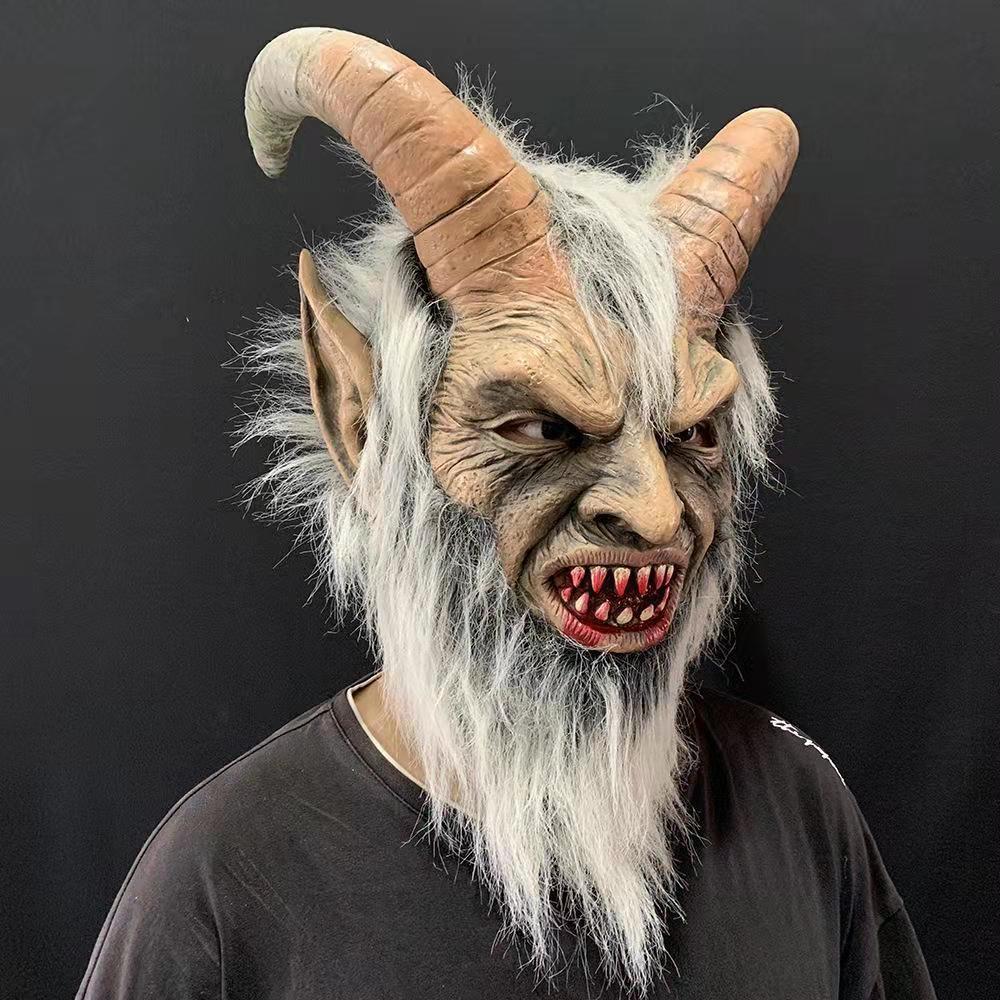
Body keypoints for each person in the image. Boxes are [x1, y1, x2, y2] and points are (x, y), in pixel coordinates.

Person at [77, 27, 937, 999]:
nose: (656, 513)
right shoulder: (225, 883)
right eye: (537, 427)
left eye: (693, 435)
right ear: (359, 420)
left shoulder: (801, 812)